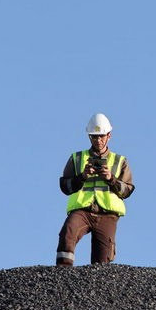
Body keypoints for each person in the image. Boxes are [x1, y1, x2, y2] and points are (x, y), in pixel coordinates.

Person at [55, 113, 135, 267]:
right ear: (89, 136)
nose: (98, 140)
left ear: (109, 136)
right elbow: (65, 187)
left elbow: (127, 190)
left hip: (107, 215)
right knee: (68, 233)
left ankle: (96, 287)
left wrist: (111, 178)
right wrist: (82, 176)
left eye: (101, 136)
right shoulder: (77, 159)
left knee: (102, 263)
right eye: (94, 136)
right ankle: (62, 273)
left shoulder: (120, 161)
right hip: (82, 211)